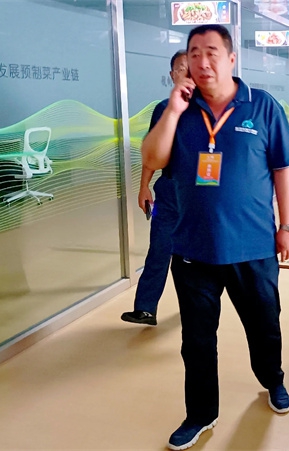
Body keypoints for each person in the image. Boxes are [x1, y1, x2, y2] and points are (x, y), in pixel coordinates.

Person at [141, 25, 289, 450]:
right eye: (194, 53)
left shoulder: (262, 106)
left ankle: (273, 379)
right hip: (193, 247)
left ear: (231, 59)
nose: (202, 61)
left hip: (253, 246)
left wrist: (288, 227)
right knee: (196, 340)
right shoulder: (172, 109)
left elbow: (283, 170)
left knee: (264, 325)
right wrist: (174, 111)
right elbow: (152, 159)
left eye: (211, 52)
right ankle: (200, 414)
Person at [121, 50, 189, 326]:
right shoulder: (163, 109)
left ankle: (195, 307)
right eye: (180, 69)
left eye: (190, 67)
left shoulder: (208, 109)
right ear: (172, 75)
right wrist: (144, 186)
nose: (185, 73)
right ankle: (145, 308)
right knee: (159, 248)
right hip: (169, 190)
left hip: (199, 193)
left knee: (191, 258)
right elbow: (152, 153)